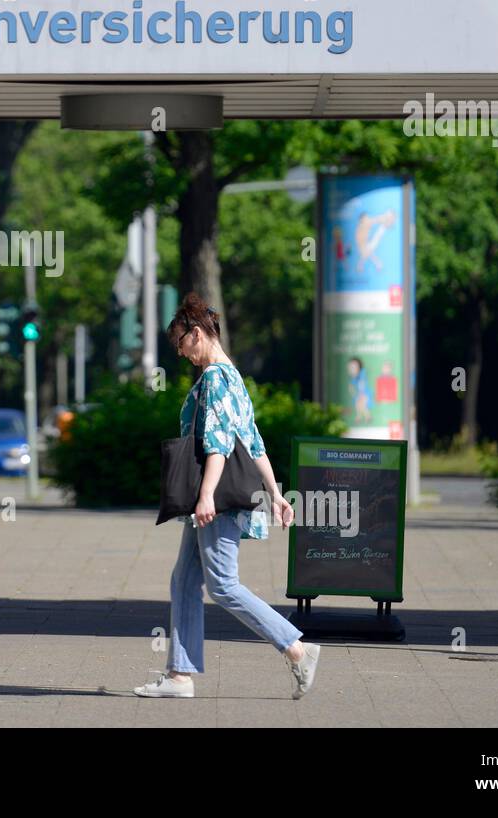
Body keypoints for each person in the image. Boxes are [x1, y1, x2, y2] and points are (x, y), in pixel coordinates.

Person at [134, 293, 321, 700]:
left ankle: (297, 649)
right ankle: (180, 677)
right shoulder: (232, 376)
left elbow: (218, 444)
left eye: (182, 344)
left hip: (216, 501)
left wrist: (205, 497)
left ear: (196, 333)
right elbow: (253, 442)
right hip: (220, 498)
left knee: (223, 584)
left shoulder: (216, 379)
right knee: (184, 579)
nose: (182, 354)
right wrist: (275, 493)